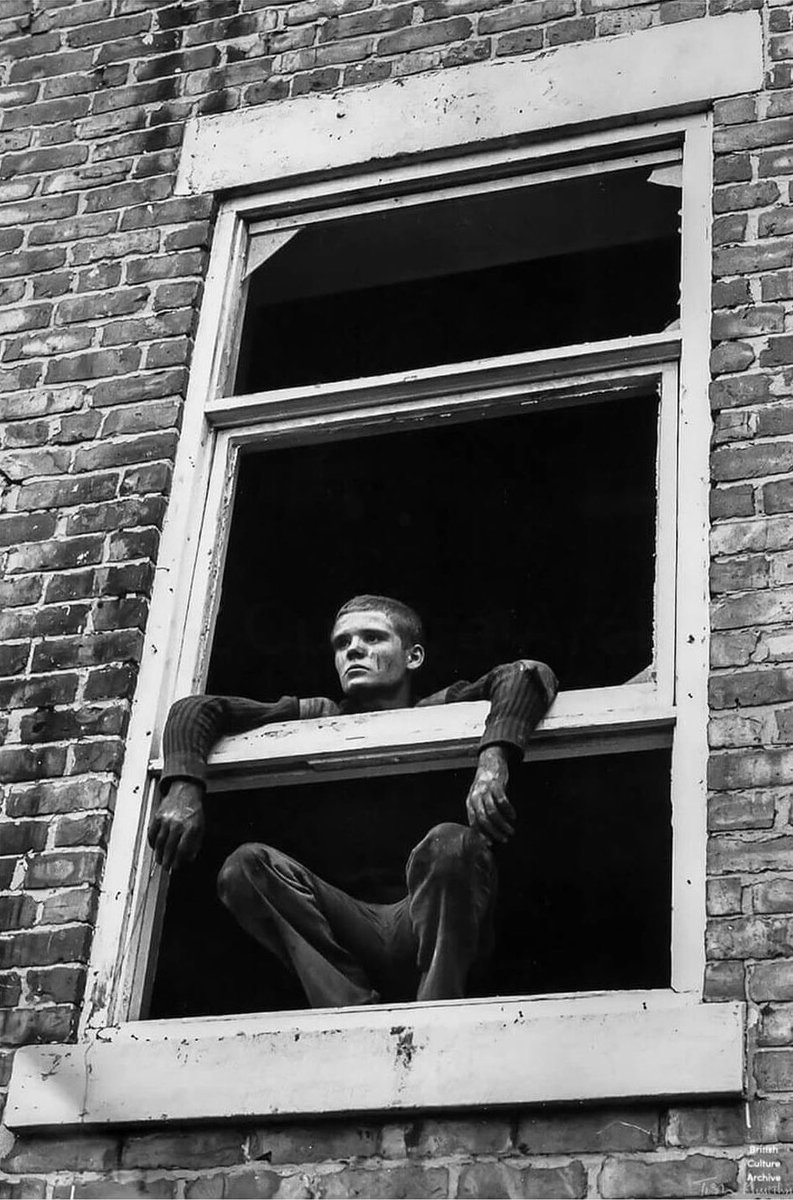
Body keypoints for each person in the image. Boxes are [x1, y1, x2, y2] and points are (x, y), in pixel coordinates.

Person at [149, 595, 557, 1008]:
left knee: (451, 843)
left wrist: (494, 759)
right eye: (342, 644)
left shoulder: (438, 708)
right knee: (245, 866)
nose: (353, 650)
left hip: (424, 926)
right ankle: (349, 1013)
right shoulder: (320, 714)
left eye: (373, 638)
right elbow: (195, 710)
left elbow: (527, 674)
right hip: (347, 927)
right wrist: (183, 786)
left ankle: (437, 1016)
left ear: (413, 657)